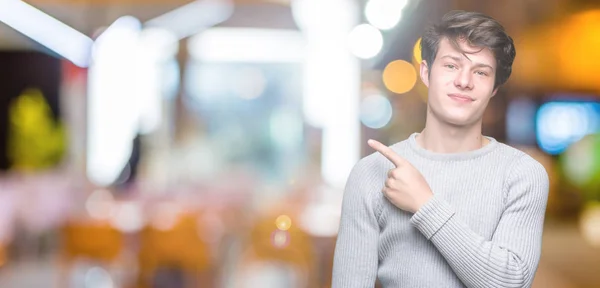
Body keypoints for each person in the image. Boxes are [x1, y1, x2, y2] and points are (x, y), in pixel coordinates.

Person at [332, 10, 549, 288]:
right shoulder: (372, 173)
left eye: (481, 72)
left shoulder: (522, 174)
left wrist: (424, 203)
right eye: (451, 65)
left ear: (494, 88)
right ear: (426, 72)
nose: (464, 81)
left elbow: (510, 284)